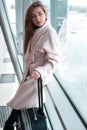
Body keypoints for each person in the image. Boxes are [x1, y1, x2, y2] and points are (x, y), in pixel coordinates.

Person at [3, 1, 59, 130]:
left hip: (40, 75)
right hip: (31, 74)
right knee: (20, 101)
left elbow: (54, 60)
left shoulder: (50, 33)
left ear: (45, 14)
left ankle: (9, 124)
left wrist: (40, 71)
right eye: (33, 16)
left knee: (19, 101)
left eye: (40, 14)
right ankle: (9, 124)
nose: (37, 19)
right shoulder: (36, 31)